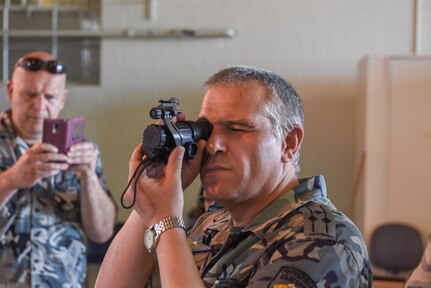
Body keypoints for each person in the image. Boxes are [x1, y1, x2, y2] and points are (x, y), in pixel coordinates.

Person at [96, 65, 372, 287]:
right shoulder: (213, 225)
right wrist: (149, 206)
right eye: (206, 130)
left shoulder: (326, 242)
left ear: (288, 143)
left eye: (237, 129)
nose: (214, 145)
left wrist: (167, 223)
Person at [0, 51, 117, 287]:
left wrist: (88, 178)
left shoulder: (83, 150)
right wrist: (11, 179)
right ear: (11, 91)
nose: (39, 105)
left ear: (63, 99)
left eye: (50, 97)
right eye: (29, 95)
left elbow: (102, 233)